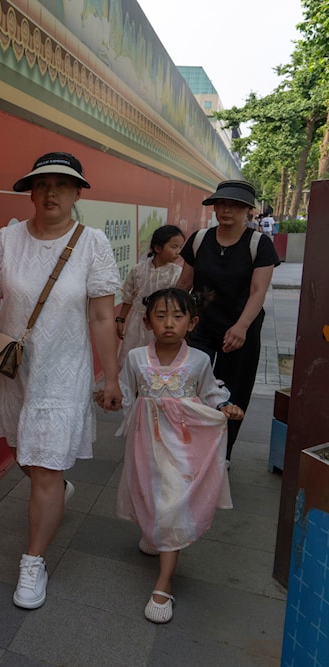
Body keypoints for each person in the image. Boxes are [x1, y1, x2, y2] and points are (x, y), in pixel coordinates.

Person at [0, 152, 121, 610]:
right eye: (43, 184)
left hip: (64, 375)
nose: (52, 193)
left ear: (78, 193)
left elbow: (102, 315)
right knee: (26, 454)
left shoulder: (92, 244)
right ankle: (57, 486)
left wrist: (112, 376)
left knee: (43, 467)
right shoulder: (8, 239)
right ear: (30, 192)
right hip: (15, 371)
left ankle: (33, 561)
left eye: (63, 184)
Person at [113, 288, 243, 624]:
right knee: (151, 493)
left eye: (177, 316)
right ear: (147, 321)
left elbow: (211, 392)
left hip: (184, 444)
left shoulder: (200, 360)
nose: (169, 323)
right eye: (160, 316)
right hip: (144, 441)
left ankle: (163, 582)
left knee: (173, 502)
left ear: (192, 322)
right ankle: (155, 531)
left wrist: (224, 407)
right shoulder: (135, 358)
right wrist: (110, 399)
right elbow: (127, 395)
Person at [176, 180, 278, 459]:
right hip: (201, 327)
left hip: (241, 329)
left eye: (235, 205)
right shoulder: (199, 240)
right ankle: (189, 446)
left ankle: (222, 453)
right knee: (191, 384)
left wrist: (242, 326)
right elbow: (183, 283)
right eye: (221, 203)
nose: (226, 210)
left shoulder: (260, 244)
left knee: (234, 391)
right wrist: (173, 320)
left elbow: (258, 291)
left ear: (248, 210)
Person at [115, 225, 185, 364]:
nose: (178, 252)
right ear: (158, 248)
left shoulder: (177, 274)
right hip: (137, 323)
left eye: (180, 247)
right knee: (131, 359)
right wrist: (121, 320)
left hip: (163, 323)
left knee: (158, 360)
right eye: (174, 247)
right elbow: (129, 297)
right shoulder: (138, 270)